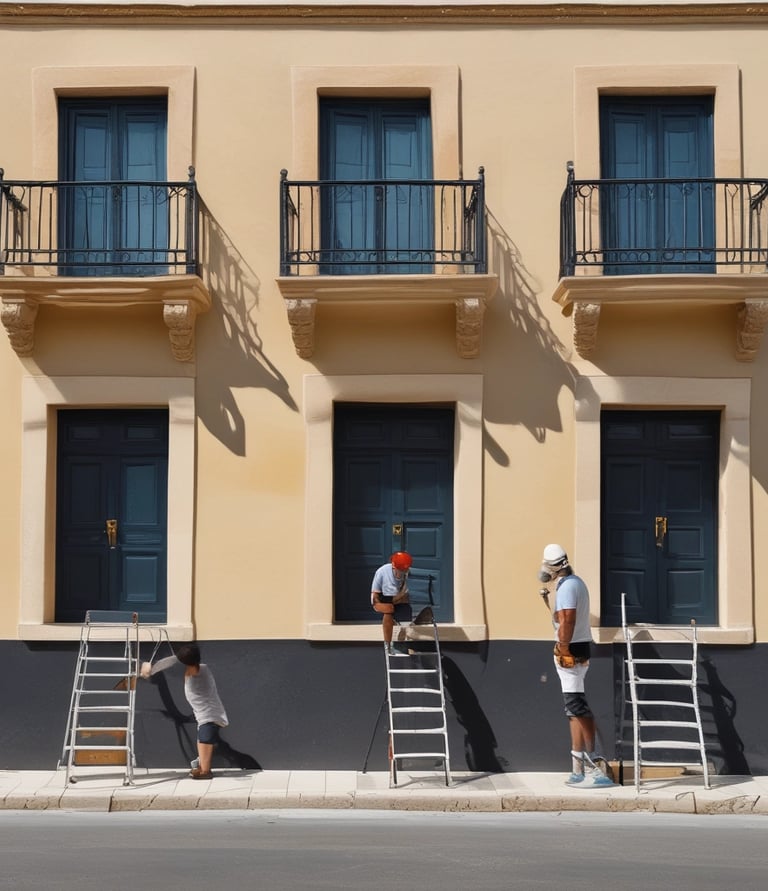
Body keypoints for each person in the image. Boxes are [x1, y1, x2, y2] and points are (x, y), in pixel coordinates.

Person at [539, 543, 614, 788]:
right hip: (579, 646)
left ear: (553, 567)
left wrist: (562, 645)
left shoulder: (569, 587)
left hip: (572, 648)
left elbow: (568, 620)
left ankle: (598, 764)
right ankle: (577, 767)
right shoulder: (574, 583)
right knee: (573, 709)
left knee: (578, 707)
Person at [140, 642, 228, 780]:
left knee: (205, 740)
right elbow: (183, 662)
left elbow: (175, 664)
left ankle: (205, 771)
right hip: (210, 714)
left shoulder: (193, 681)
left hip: (208, 716)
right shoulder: (204, 669)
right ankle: (202, 767)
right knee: (203, 740)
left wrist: (148, 669)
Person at [371, 551, 413, 654]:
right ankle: (388, 645)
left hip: (400, 599)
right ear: (395, 568)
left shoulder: (408, 574)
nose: (406, 571)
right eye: (403, 570)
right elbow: (375, 596)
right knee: (389, 610)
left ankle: (401, 645)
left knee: (406, 612)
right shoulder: (382, 572)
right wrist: (379, 604)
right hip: (383, 599)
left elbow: (407, 595)